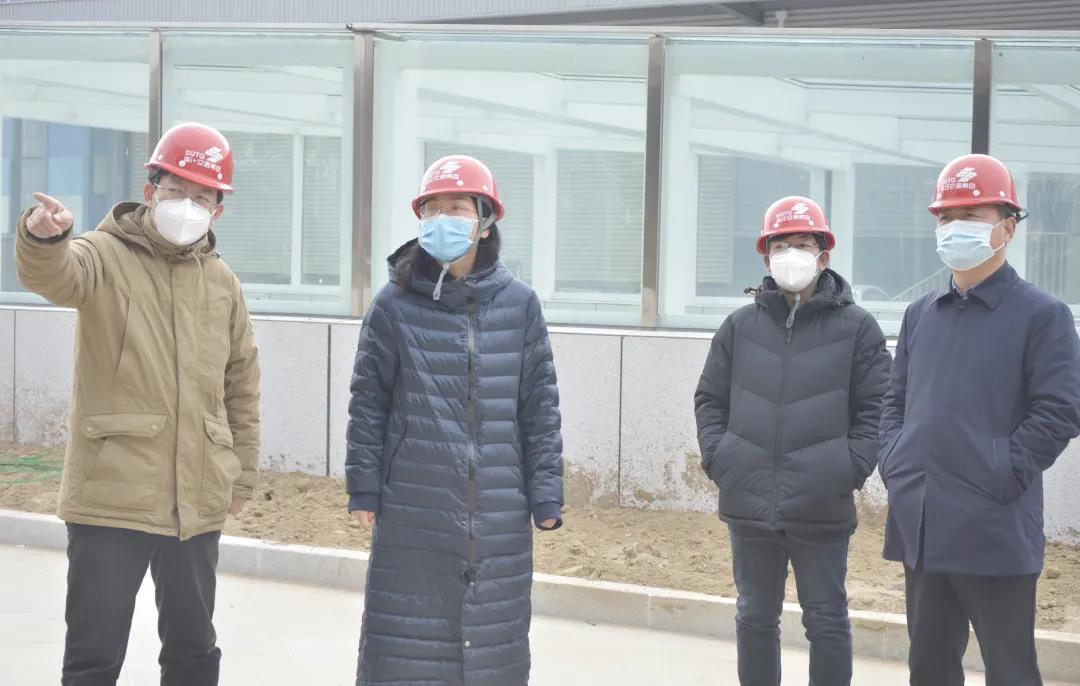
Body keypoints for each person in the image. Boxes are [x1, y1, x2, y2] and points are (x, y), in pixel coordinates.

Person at [15, 122, 260, 686]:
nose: (188, 205)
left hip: (196, 495)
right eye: (176, 190)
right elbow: (56, 277)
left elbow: (241, 384)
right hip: (112, 493)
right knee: (94, 657)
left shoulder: (222, 282)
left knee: (194, 651)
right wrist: (44, 238)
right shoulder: (102, 255)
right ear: (150, 192)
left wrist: (241, 475)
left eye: (202, 197)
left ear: (218, 211)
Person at [345, 154, 564, 686]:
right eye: (434, 209)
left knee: (493, 648)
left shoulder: (520, 305)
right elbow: (369, 402)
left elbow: (539, 406)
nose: (444, 219)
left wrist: (546, 493)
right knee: (405, 650)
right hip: (412, 506)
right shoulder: (393, 305)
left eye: (458, 207)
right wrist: (364, 488)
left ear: (485, 220)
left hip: (499, 512)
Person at [880, 154, 1080, 686]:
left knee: (1010, 670)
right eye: (946, 217)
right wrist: (896, 460)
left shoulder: (1042, 315)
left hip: (995, 525)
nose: (955, 227)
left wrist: (1002, 469)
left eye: (971, 215)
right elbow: (894, 401)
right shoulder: (921, 314)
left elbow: (1059, 410)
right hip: (923, 523)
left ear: (1007, 228)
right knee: (929, 668)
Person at [695, 196, 890, 686]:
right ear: (765, 257)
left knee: (826, 619)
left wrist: (848, 467)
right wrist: (721, 458)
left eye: (802, 244)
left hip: (822, 501)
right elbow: (710, 399)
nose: (791, 254)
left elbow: (878, 409)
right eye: (780, 245)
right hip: (750, 500)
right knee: (754, 616)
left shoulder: (859, 329)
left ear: (823, 255)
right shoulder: (739, 327)